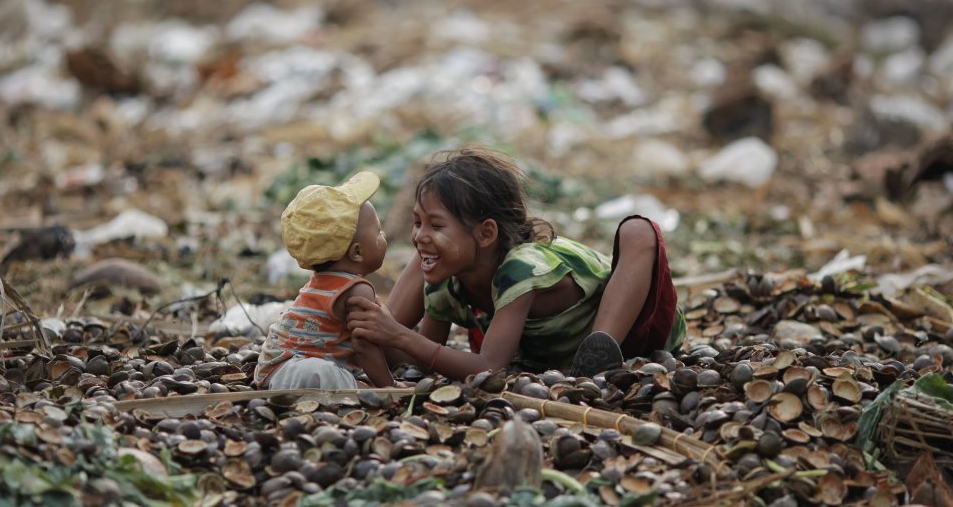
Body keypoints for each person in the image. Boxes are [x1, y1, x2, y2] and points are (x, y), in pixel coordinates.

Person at [347, 146, 686, 381]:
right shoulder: (445, 279)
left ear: (485, 234)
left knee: (638, 230)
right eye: (417, 222)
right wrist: (373, 333)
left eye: (435, 224)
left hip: (637, 329)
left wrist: (397, 335)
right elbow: (424, 362)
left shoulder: (520, 268)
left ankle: (599, 348)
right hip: (541, 353)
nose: (419, 234)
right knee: (427, 259)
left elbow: (489, 366)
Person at [254, 171, 394, 390]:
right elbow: (365, 346)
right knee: (325, 374)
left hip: (271, 366)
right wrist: (389, 386)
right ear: (357, 253)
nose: (384, 236)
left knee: (328, 372)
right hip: (300, 371)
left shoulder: (320, 281)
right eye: (379, 231)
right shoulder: (357, 290)